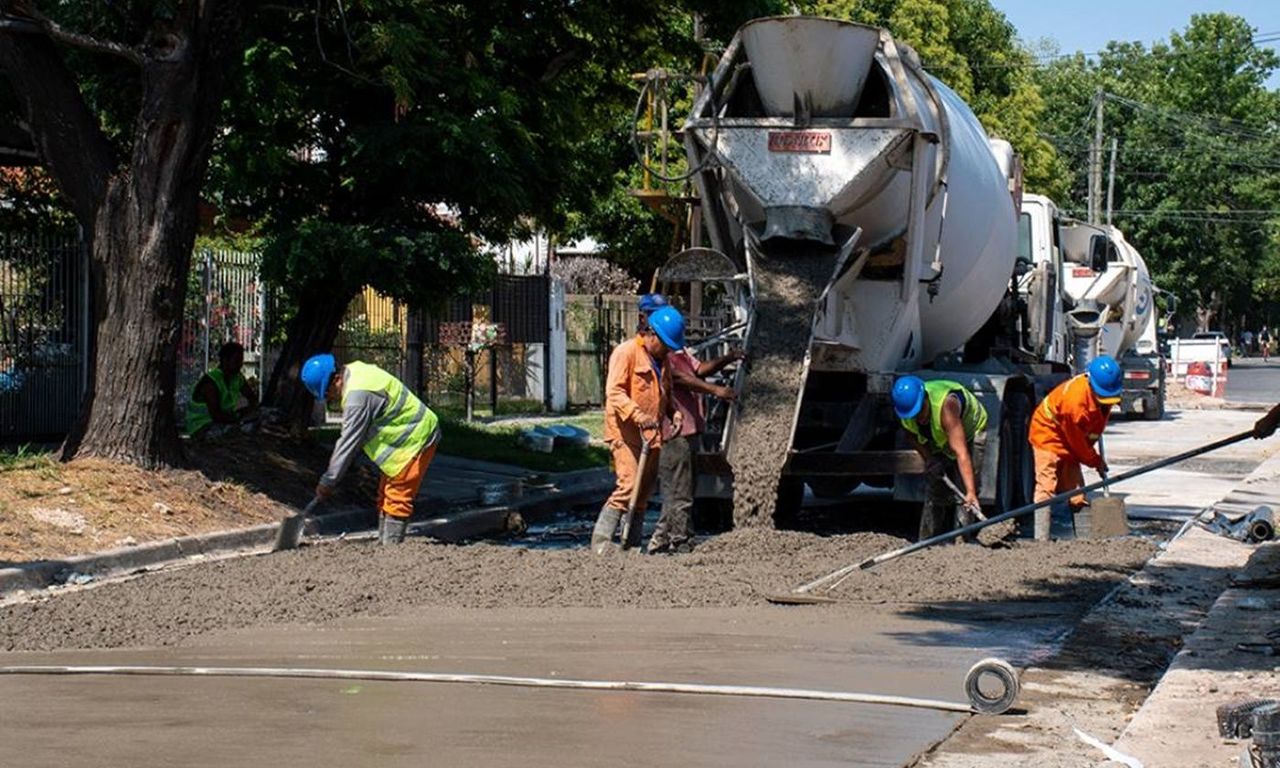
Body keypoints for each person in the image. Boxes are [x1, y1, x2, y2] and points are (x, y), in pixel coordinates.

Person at [301, 354, 440, 544]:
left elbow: (348, 442)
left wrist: (328, 481)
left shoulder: (357, 397)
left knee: (396, 497)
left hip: (415, 438)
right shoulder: (355, 370)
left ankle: (391, 552)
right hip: (403, 441)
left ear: (336, 380)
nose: (330, 398)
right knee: (384, 495)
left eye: (328, 393)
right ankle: (385, 546)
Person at [592, 305, 686, 553]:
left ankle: (631, 543)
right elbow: (614, 392)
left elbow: (666, 392)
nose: (667, 350)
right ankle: (601, 542)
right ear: (651, 334)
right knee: (629, 485)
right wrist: (638, 415)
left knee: (643, 491)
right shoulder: (626, 353)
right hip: (626, 433)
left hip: (651, 434)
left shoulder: (661, 359)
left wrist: (672, 412)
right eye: (665, 344)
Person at [648, 344, 744, 554]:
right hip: (675, 432)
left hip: (691, 430)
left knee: (684, 487)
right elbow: (680, 378)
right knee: (678, 489)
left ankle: (662, 538)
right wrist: (716, 390)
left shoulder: (680, 352)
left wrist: (728, 357)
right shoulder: (661, 356)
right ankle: (681, 540)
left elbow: (699, 369)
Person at [1028, 356, 1123, 541]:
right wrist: (1095, 461)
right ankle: (1040, 539)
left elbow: (1090, 431)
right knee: (1046, 486)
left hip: (1071, 438)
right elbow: (1077, 442)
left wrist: (1092, 454)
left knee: (1076, 492)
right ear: (1091, 382)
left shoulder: (1107, 393)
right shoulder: (1074, 402)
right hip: (1048, 435)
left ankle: (1084, 538)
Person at [893, 376, 988, 540]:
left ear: (925, 399)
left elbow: (961, 453)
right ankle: (928, 543)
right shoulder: (907, 411)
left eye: (920, 410)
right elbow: (911, 436)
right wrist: (929, 459)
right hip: (938, 438)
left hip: (970, 432)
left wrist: (971, 492)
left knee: (965, 494)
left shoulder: (947, 406)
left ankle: (963, 544)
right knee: (935, 490)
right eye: (914, 415)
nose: (919, 418)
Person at [186, 342, 259, 438]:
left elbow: (252, 398)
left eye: (241, 360)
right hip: (202, 427)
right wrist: (239, 417)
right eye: (236, 361)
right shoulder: (211, 382)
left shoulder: (237, 377)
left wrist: (245, 413)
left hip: (222, 423)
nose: (240, 364)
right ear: (225, 360)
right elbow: (216, 416)